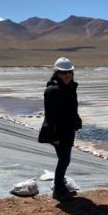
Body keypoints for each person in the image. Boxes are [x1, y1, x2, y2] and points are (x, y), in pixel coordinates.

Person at [38, 57, 82, 201]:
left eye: (69, 72)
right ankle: (59, 189)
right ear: (56, 73)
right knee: (64, 159)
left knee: (64, 159)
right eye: (63, 72)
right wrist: (54, 136)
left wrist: (77, 120)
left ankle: (60, 183)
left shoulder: (70, 87)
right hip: (58, 131)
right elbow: (49, 115)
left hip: (68, 129)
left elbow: (72, 108)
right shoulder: (52, 91)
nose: (67, 75)